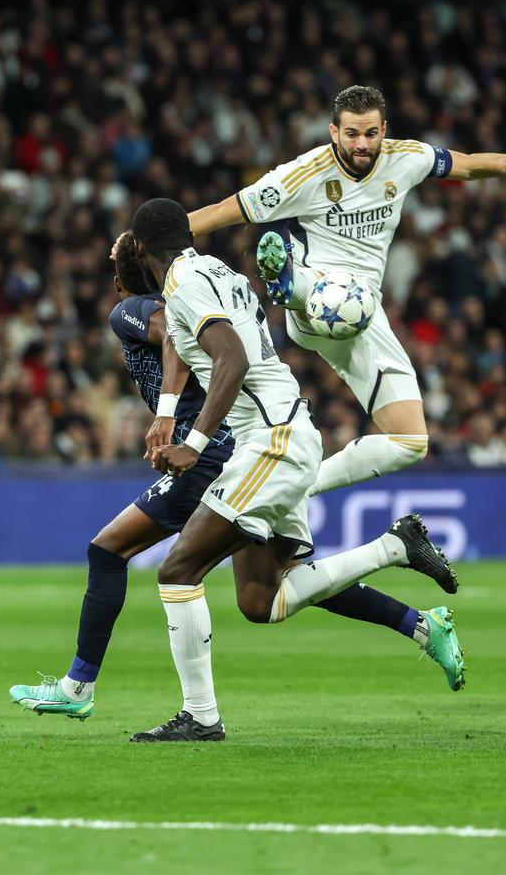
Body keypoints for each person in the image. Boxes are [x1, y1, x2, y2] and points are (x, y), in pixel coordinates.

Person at [9, 233, 464, 732]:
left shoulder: (132, 309)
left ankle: (83, 687)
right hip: (250, 442)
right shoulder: (200, 291)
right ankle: (415, 610)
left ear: (121, 279)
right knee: (265, 595)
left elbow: (171, 331)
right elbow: (182, 333)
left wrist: (168, 415)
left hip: (213, 456)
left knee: (114, 552)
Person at [124, 198, 463, 743]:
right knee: (261, 601)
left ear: (140, 248)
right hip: (283, 434)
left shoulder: (185, 285)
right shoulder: (215, 272)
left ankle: (201, 717)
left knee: (178, 571)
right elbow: (188, 343)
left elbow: (230, 358)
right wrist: (166, 413)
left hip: (272, 442)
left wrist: (194, 443)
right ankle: (393, 548)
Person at [185, 84, 506, 496]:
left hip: (364, 313)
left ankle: (297, 489)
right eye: (352, 134)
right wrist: (150, 238)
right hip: (317, 298)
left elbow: (465, 166)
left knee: (411, 442)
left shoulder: (406, 158)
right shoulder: (305, 173)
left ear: (384, 130)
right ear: (333, 132)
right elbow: (223, 211)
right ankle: (289, 284)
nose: (362, 143)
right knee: (332, 294)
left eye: (371, 133)